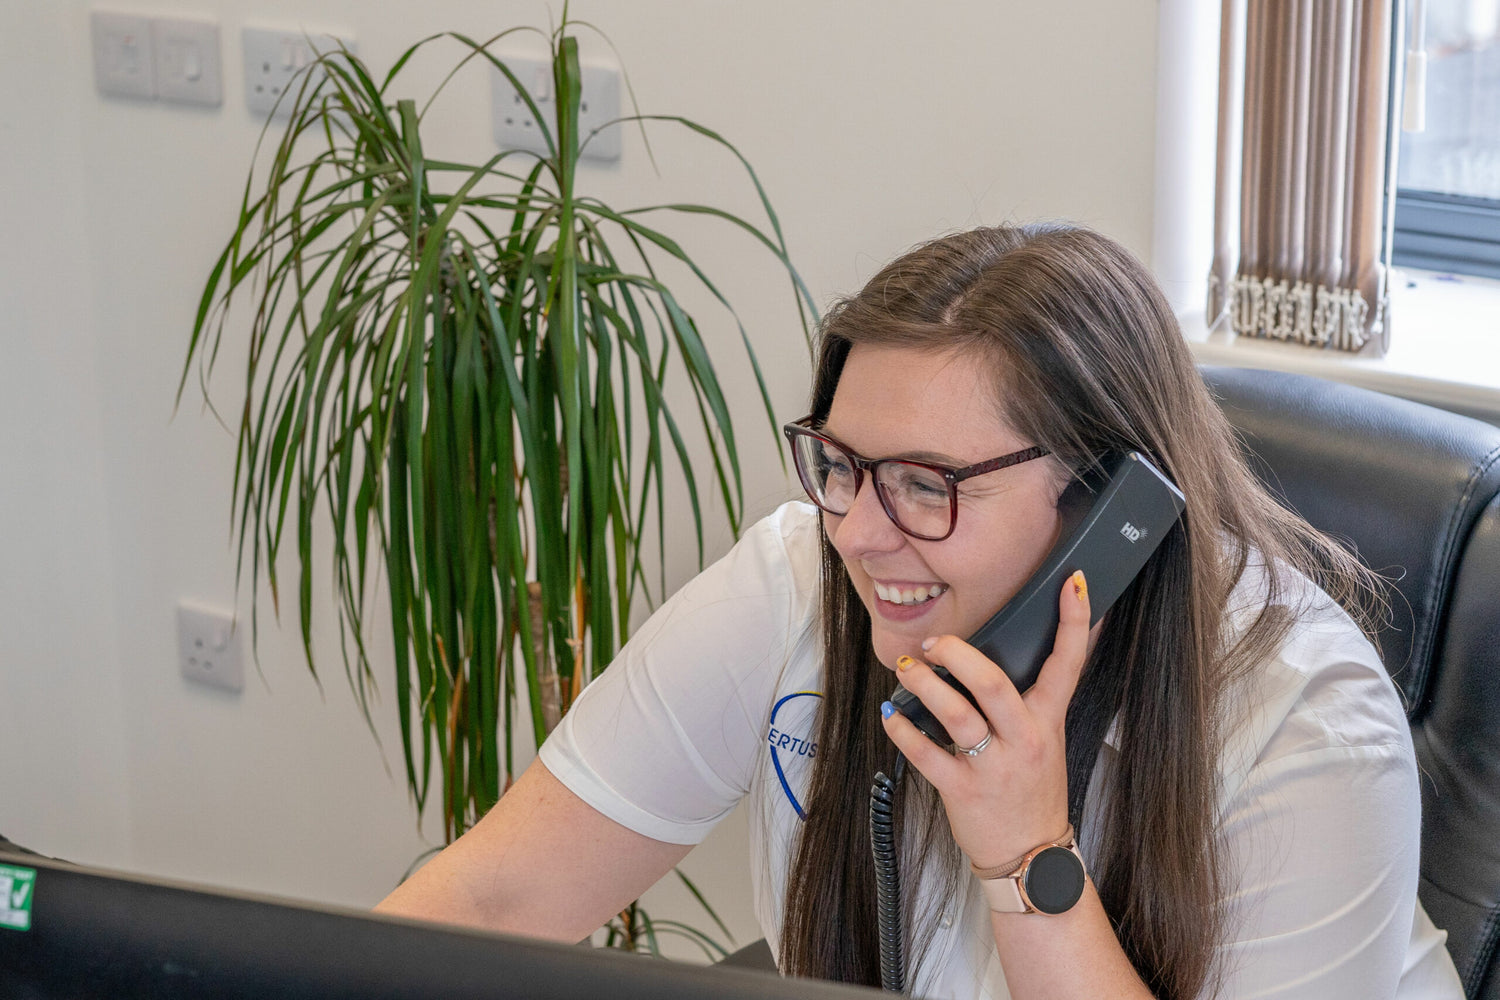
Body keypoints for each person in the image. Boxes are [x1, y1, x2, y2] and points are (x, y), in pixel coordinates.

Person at [376, 223, 1462, 999]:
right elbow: (494, 904)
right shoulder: (797, 578)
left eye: (924, 484)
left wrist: (1026, 849)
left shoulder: (1304, 722)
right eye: (842, 465)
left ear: (1108, 505)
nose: (857, 531)